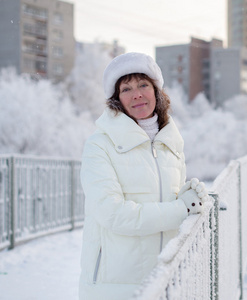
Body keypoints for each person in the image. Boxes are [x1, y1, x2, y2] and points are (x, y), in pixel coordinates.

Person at [78, 52, 209, 300]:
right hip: (114, 286)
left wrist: (191, 198)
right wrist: (181, 209)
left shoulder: (171, 143)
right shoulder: (99, 145)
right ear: (116, 99)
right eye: (126, 88)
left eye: (143, 85)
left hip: (164, 281)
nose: (136, 94)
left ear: (156, 91)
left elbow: (165, 201)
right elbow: (113, 214)